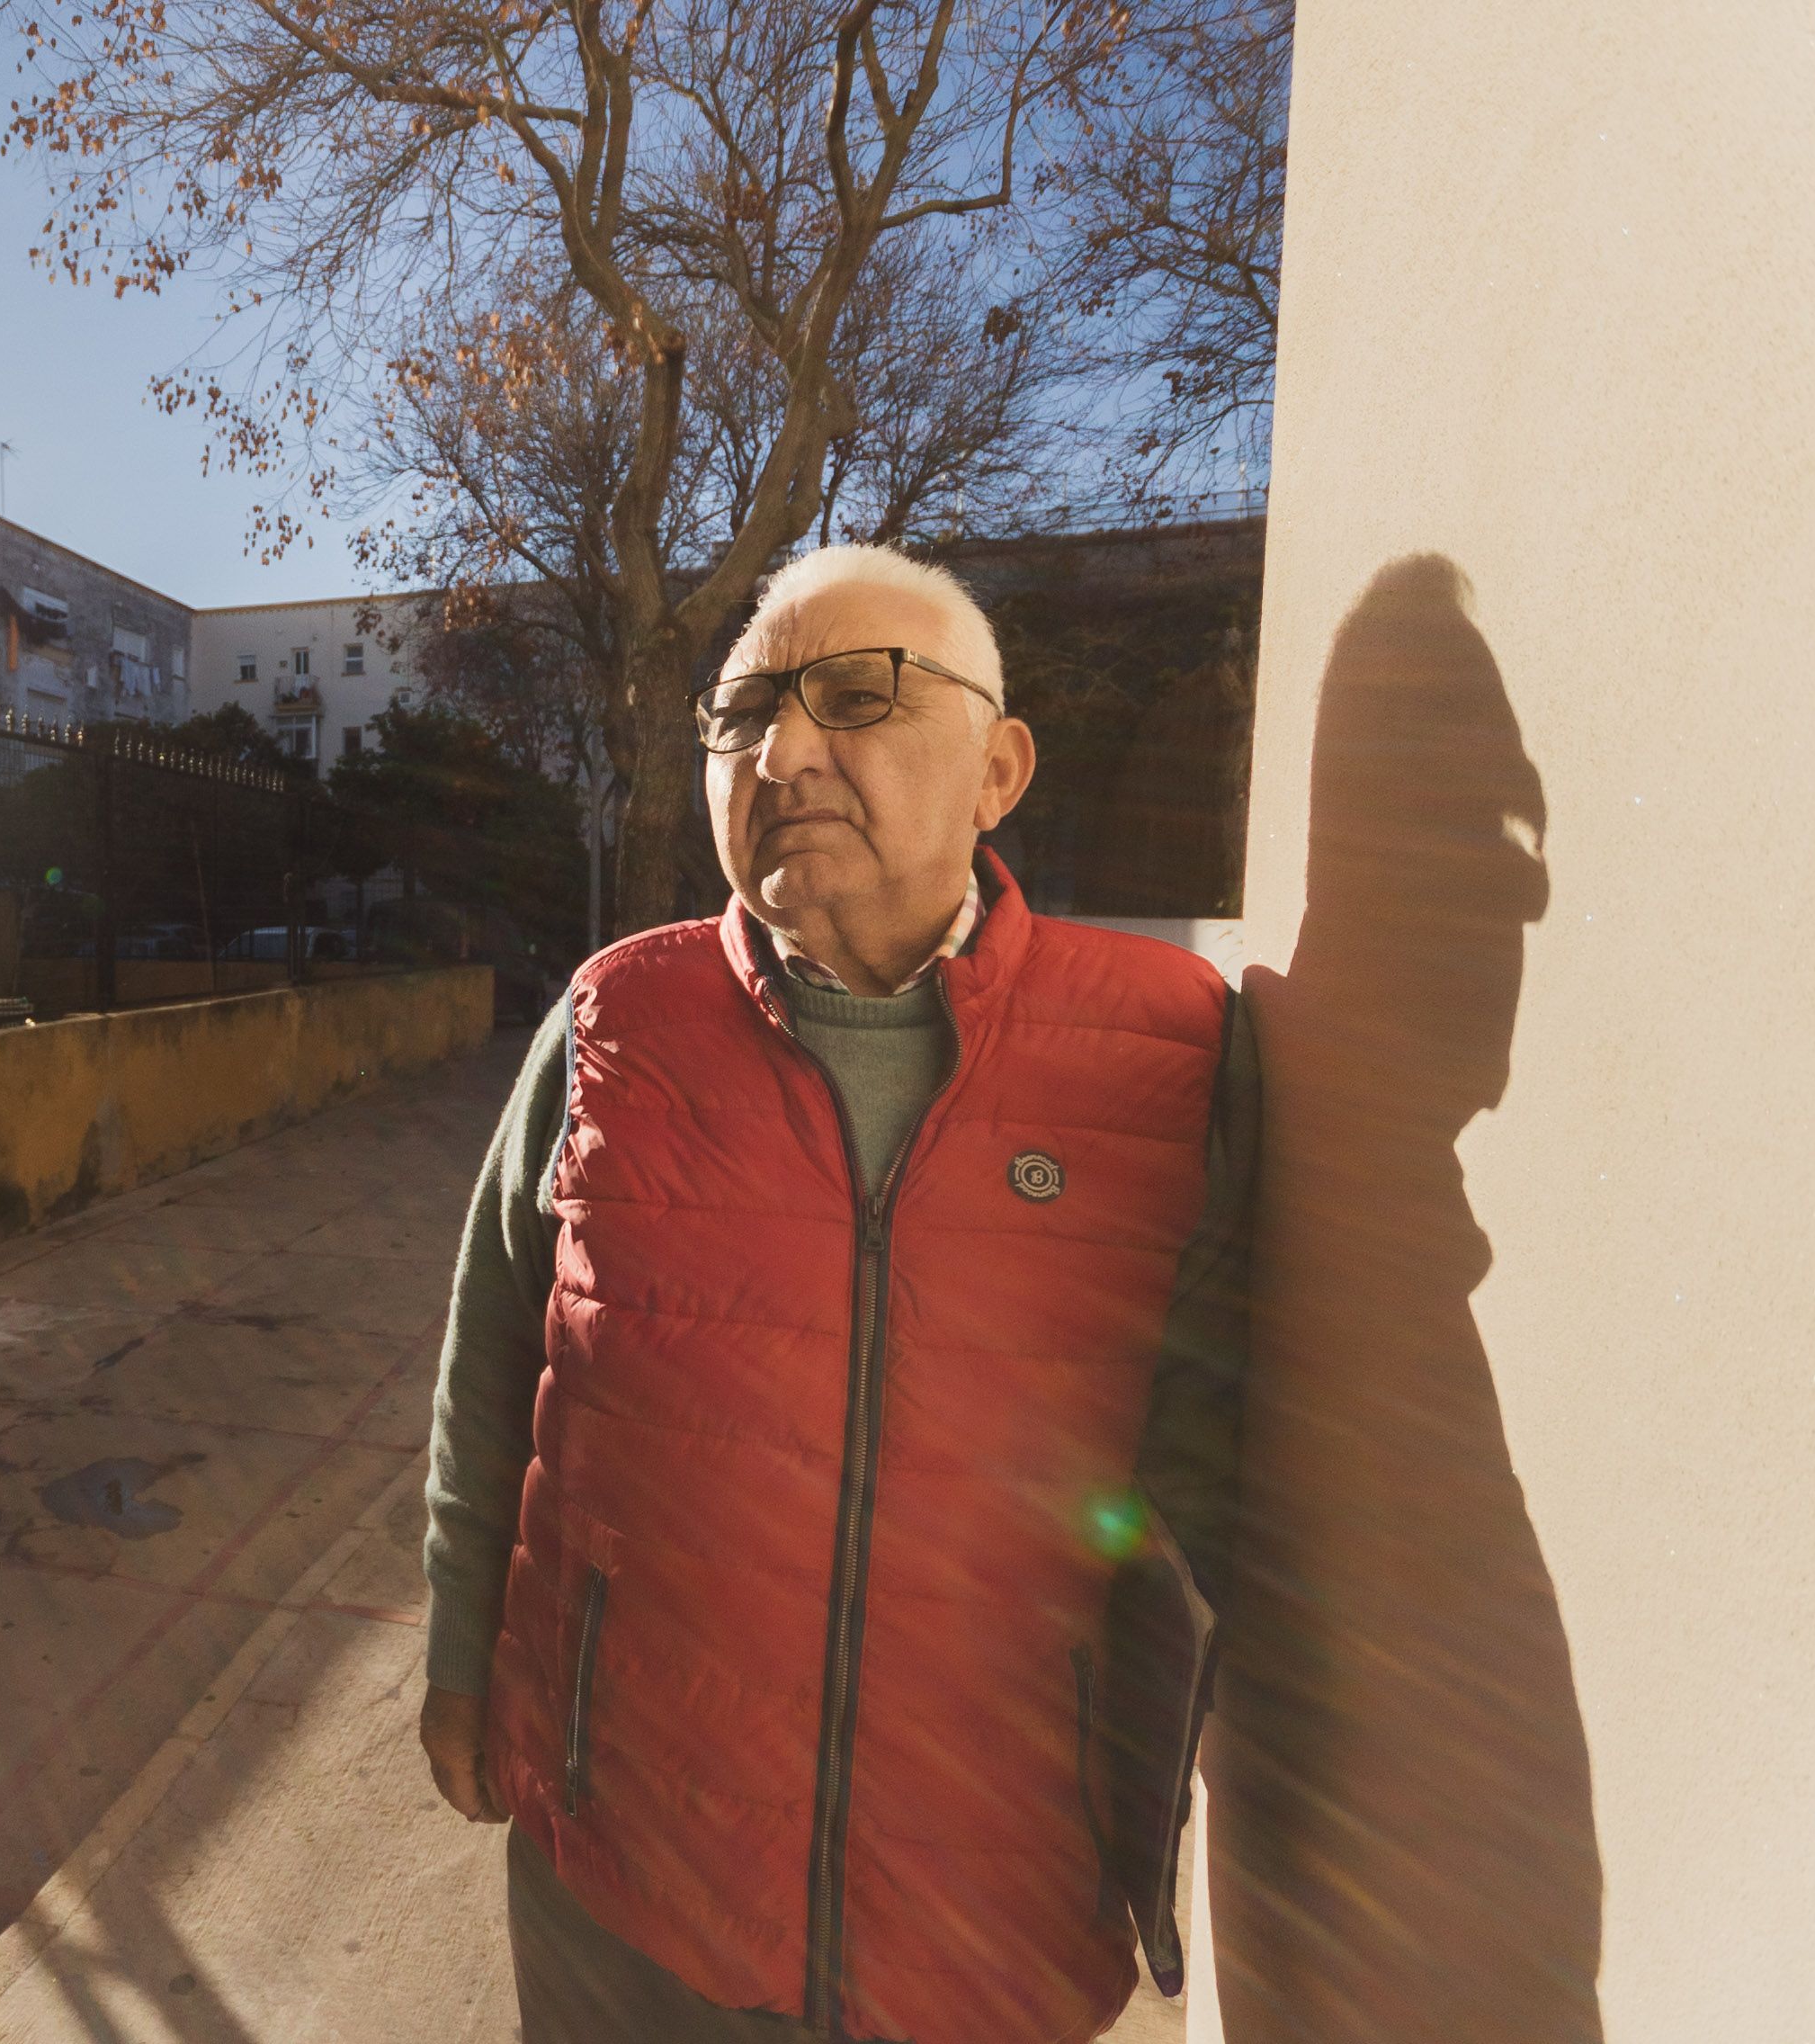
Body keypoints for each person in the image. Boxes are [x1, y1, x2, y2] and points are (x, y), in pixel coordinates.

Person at [418, 544, 1256, 2043]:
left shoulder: (1171, 1052)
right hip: (624, 1893)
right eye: (743, 714)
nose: (784, 752)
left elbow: (1223, 1469)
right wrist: (458, 1661)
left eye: (859, 696)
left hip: (989, 1913)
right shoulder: (616, 1017)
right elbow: (495, 1360)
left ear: (999, 770)